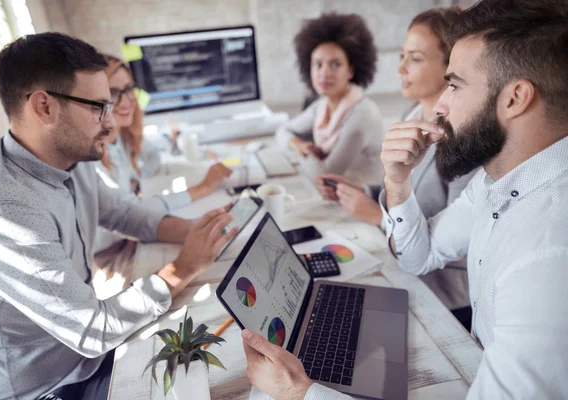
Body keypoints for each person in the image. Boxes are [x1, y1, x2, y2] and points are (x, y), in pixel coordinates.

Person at [241, 0, 568, 398]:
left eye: (457, 85)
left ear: (515, 98)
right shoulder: (496, 181)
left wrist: (301, 392)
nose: (442, 105)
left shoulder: (546, 259)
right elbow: (418, 256)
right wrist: (398, 184)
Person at [0, 32, 237, 400]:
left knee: (222, 344)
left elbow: (125, 213)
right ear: (44, 107)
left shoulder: (68, 156)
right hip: (52, 387)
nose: (110, 124)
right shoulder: (5, 209)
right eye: (98, 107)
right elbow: (92, 330)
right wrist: (184, 267)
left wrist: (201, 232)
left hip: (88, 356)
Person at [316, 7, 475, 314]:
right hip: (404, 267)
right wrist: (363, 190)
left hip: (443, 294)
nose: (401, 69)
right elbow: (407, 186)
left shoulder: (467, 141)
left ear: (452, 65)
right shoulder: (413, 115)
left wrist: (378, 216)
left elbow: (463, 246)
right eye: (402, 56)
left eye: (414, 59)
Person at [93, 56, 232, 295]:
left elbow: (153, 154)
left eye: (128, 89)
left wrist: (168, 141)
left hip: (133, 241)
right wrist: (203, 188)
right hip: (113, 256)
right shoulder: (93, 157)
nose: (127, 101)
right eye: (114, 93)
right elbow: (131, 211)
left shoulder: (120, 138)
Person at [275, 13, 385, 185]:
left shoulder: (362, 116)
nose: (324, 73)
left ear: (351, 70)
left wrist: (297, 156)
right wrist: (298, 145)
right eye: (318, 64)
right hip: (338, 196)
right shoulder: (322, 105)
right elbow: (282, 131)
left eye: (335, 64)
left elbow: (326, 175)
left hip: (367, 202)